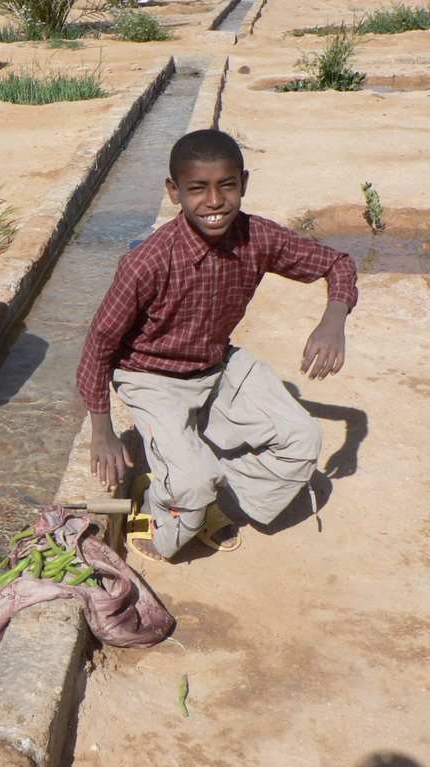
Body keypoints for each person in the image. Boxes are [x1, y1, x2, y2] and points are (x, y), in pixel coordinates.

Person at [76, 129, 358, 562]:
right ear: (174, 192)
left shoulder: (256, 237)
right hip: (150, 375)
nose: (214, 201)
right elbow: (99, 344)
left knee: (302, 439)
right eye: (197, 189)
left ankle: (200, 490)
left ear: (243, 183)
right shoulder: (147, 261)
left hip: (215, 365)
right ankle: (159, 506)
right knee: (185, 498)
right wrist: (102, 432)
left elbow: (337, 263)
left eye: (226, 185)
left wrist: (333, 319)